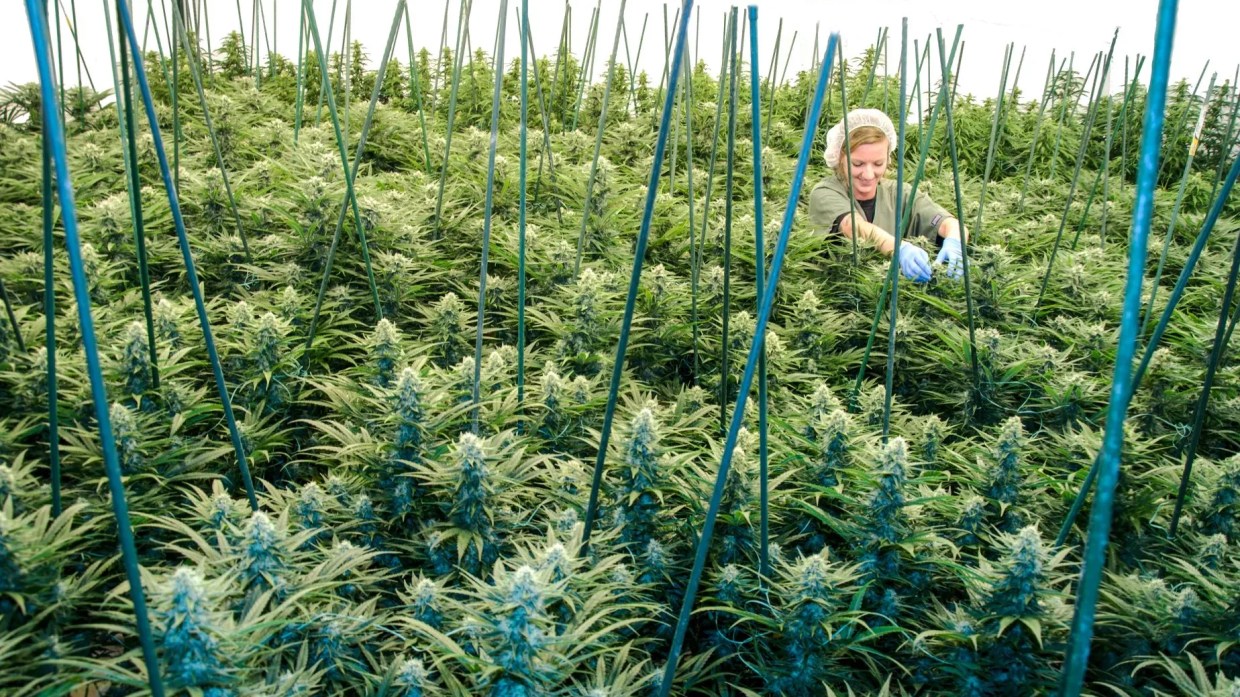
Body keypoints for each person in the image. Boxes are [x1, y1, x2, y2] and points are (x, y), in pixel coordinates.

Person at [808, 108, 965, 282]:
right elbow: (852, 227)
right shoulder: (825, 193)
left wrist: (955, 241)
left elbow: (948, 223)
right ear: (840, 158)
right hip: (841, 299)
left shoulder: (900, 193)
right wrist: (900, 249)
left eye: (878, 163)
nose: (868, 174)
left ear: (888, 160)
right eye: (858, 164)